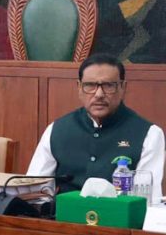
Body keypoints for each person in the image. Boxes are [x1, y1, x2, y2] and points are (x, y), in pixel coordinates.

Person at [28, 53, 164, 199]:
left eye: (108, 85)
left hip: (117, 213)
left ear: (123, 88)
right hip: (64, 212)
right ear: (79, 87)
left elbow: (147, 200)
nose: (99, 94)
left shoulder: (149, 134)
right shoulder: (57, 130)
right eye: (90, 85)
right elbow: (35, 189)